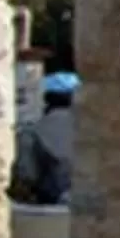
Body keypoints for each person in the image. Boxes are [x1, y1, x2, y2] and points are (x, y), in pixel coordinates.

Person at [14, 71, 79, 207]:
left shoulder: (32, 133)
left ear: (44, 98)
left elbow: (25, 178)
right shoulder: (98, 130)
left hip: (55, 210)